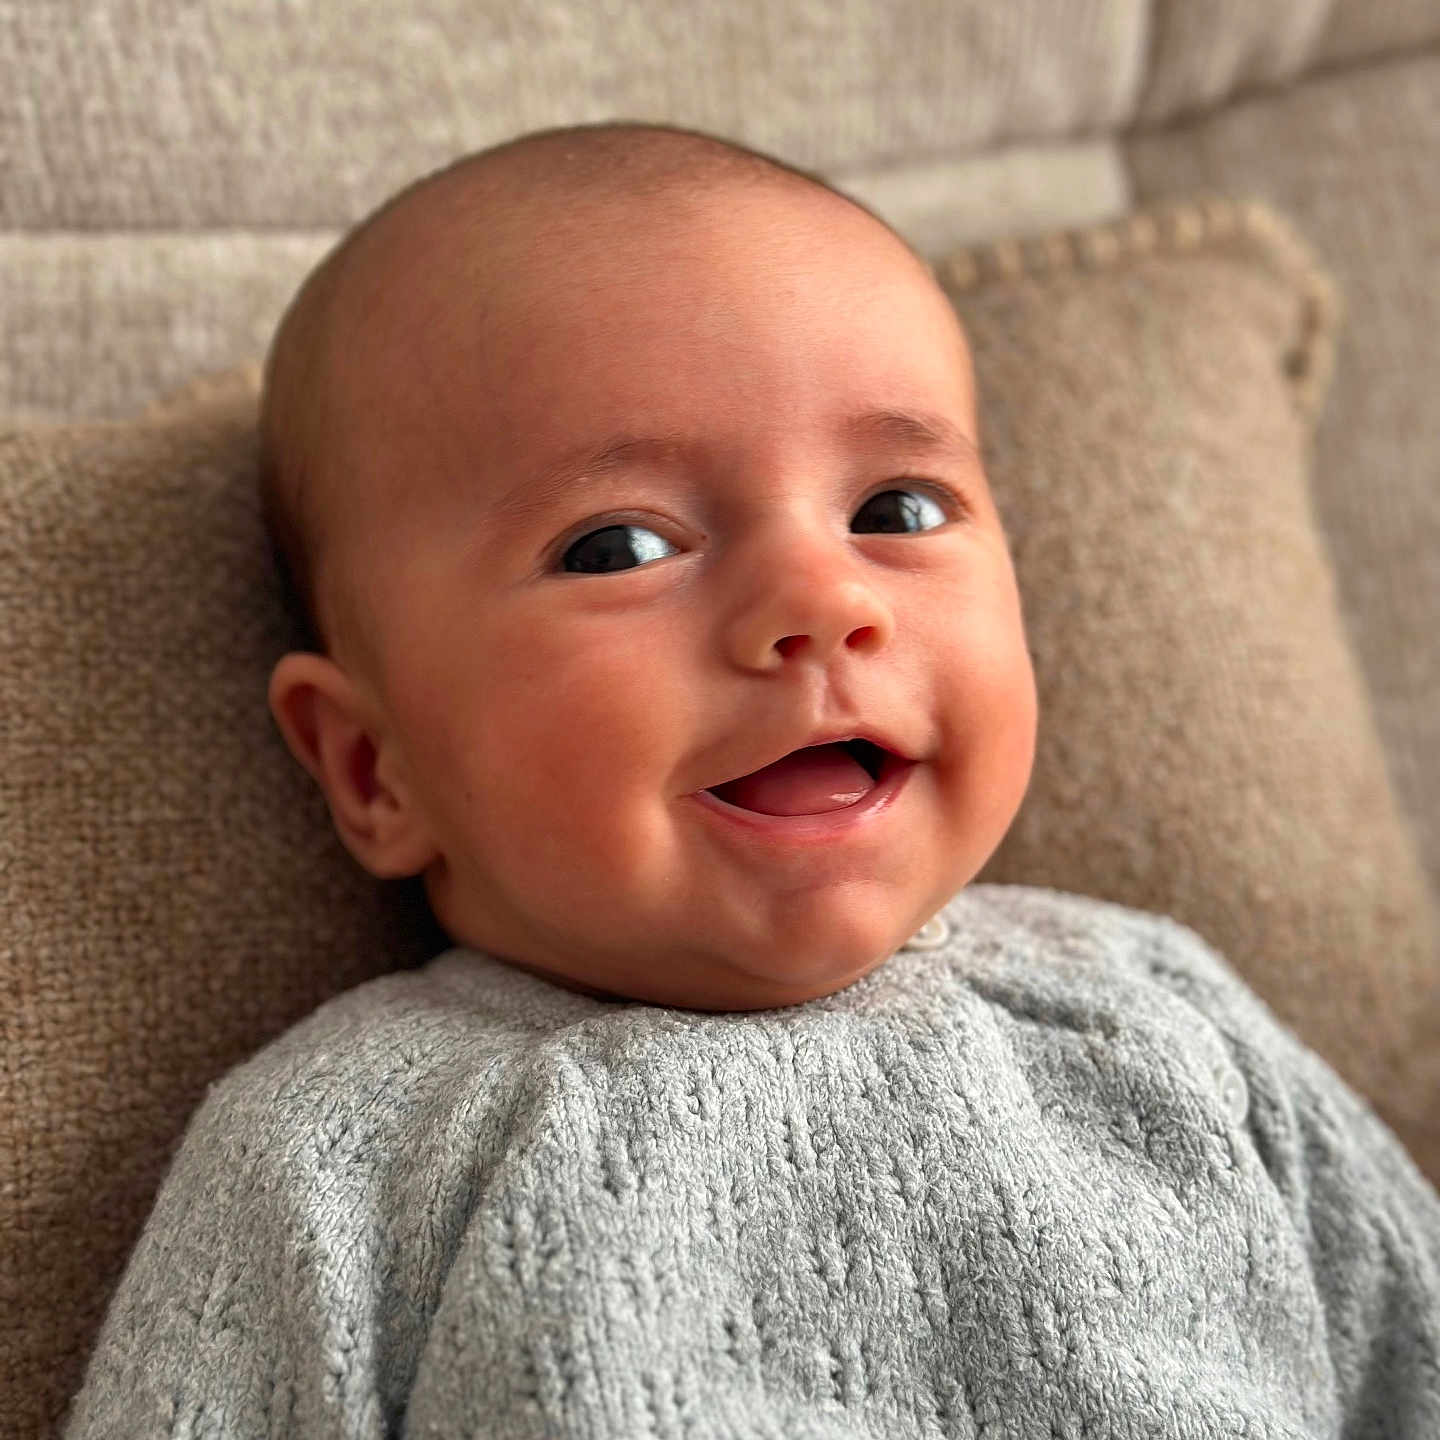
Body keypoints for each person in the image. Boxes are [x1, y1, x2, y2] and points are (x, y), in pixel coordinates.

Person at [64, 121, 1440, 1438]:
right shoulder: (347, 1156)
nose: (818, 598)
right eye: (620, 546)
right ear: (376, 769)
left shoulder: (1157, 1016)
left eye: (895, 509)